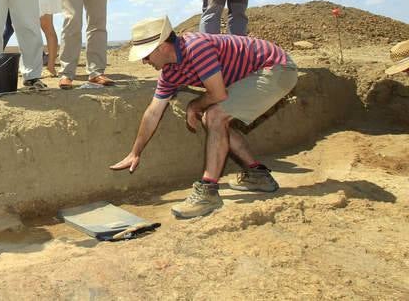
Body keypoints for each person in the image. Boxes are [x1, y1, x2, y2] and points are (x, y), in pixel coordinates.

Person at [111, 16, 298, 219]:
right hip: (255, 74)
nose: (144, 61)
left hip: (276, 69)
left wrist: (194, 105)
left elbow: (218, 95)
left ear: (162, 47)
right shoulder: (170, 72)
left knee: (215, 115)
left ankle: (208, 191)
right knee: (212, 118)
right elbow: (153, 112)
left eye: (146, 55)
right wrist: (135, 152)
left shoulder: (196, 48)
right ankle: (257, 175)